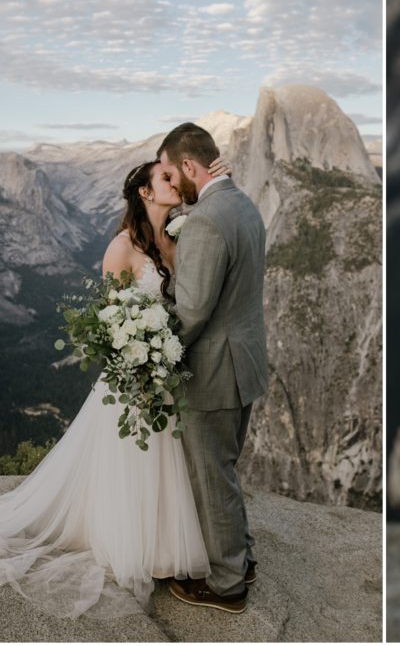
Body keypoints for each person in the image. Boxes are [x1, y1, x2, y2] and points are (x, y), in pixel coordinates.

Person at [0, 157, 233, 619]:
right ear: (144, 193)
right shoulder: (121, 248)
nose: (176, 182)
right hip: (136, 373)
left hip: (169, 370)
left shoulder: (180, 235)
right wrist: (140, 357)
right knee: (138, 458)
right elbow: (113, 323)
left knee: (170, 459)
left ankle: (166, 544)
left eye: (177, 176)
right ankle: (135, 545)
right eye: (166, 178)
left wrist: (221, 181)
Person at [157, 123, 269, 615]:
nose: (169, 182)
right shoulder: (244, 204)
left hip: (212, 371)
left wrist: (157, 359)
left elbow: (193, 310)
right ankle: (240, 559)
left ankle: (226, 584)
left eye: (169, 171)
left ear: (188, 167)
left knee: (211, 475)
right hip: (243, 362)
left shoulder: (204, 220)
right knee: (223, 466)